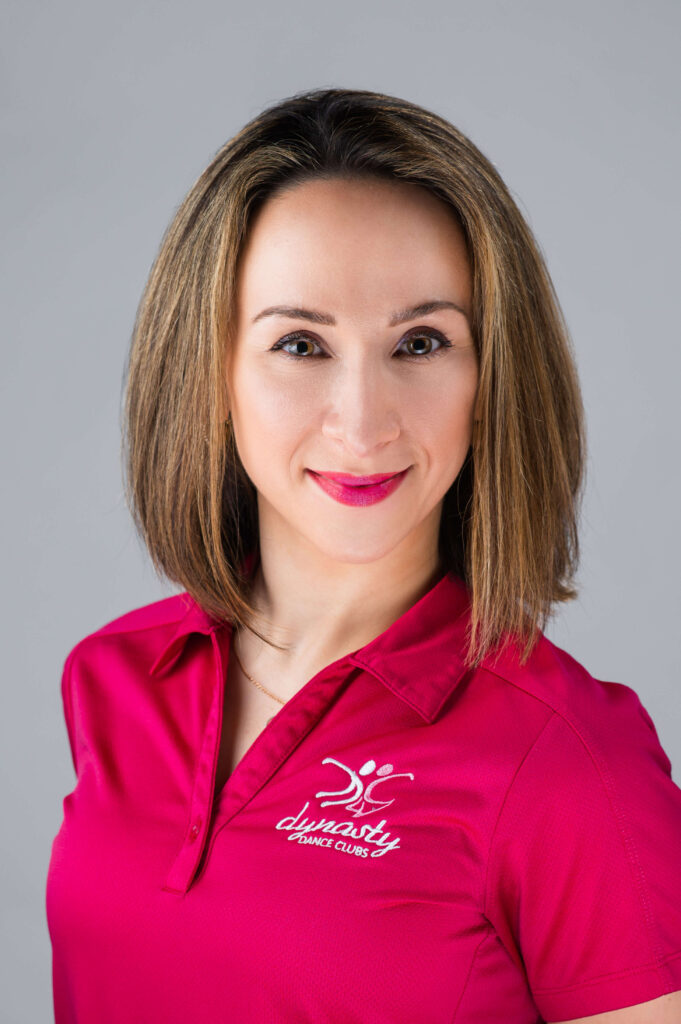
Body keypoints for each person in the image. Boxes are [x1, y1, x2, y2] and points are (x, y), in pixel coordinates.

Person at [45, 87, 681, 1023]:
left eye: (420, 343)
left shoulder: (573, 764)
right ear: (212, 370)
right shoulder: (116, 677)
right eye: (300, 344)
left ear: (490, 375)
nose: (362, 419)